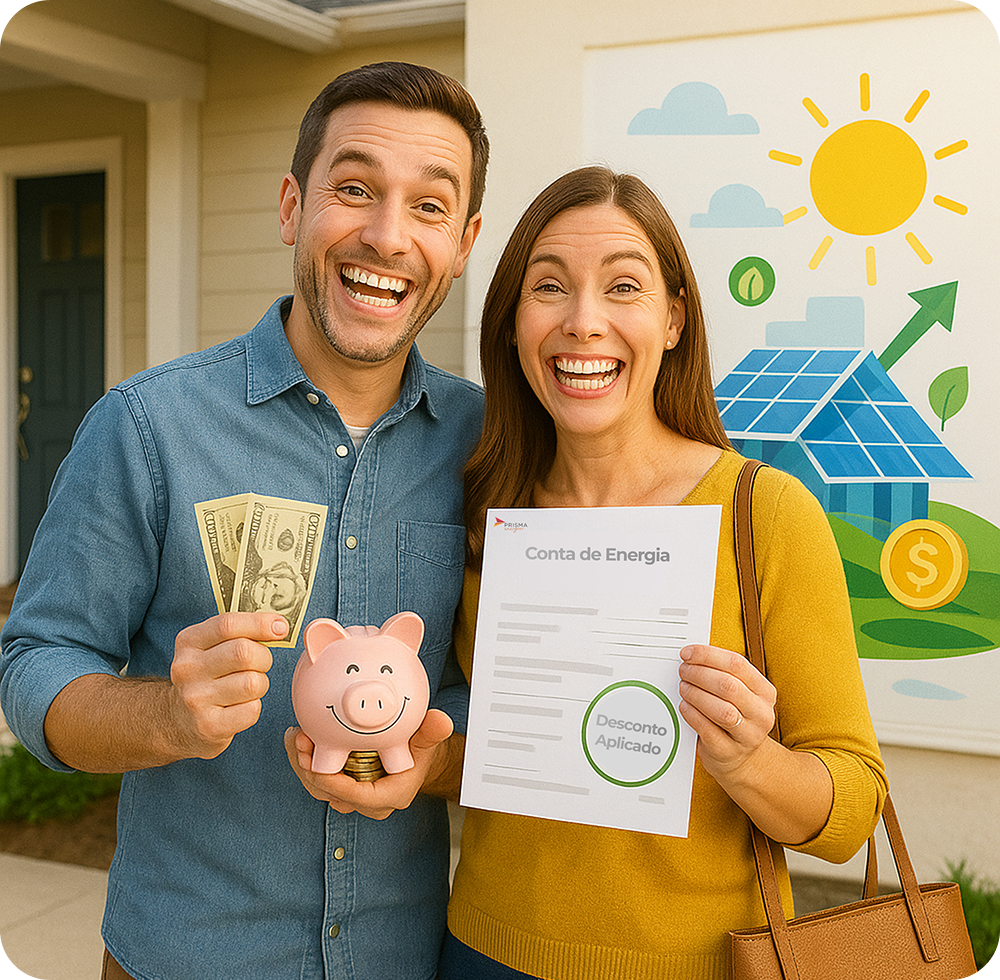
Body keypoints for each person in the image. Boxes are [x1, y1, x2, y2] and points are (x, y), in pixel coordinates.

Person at [1, 61, 488, 980]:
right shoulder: (149, 428)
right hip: (183, 956)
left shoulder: (485, 445)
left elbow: (488, 687)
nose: (386, 236)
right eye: (354, 189)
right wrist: (166, 718)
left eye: (428, 207)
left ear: (461, 243)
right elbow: (36, 663)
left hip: (403, 958)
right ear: (290, 208)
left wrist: (435, 748)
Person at [440, 166, 887, 980]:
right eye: (549, 288)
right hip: (482, 951)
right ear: (510, 323)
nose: (583, 323)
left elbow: (851, 807)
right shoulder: (480, 515)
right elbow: (483, 746)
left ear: (674, 320)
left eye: (623, 288)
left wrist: (752, 762)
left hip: (697, 964)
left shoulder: (765, 514)